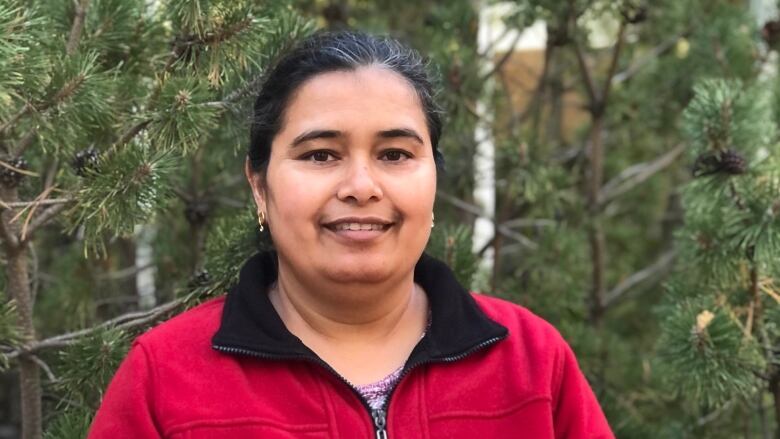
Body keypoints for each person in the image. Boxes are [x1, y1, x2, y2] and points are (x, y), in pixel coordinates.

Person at [88, 30, 614, 438]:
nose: (361, 186)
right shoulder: (166, 379)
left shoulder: (531, 364)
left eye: (395, 155)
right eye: (320, 155)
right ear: (259, 187)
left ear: (434, 178)